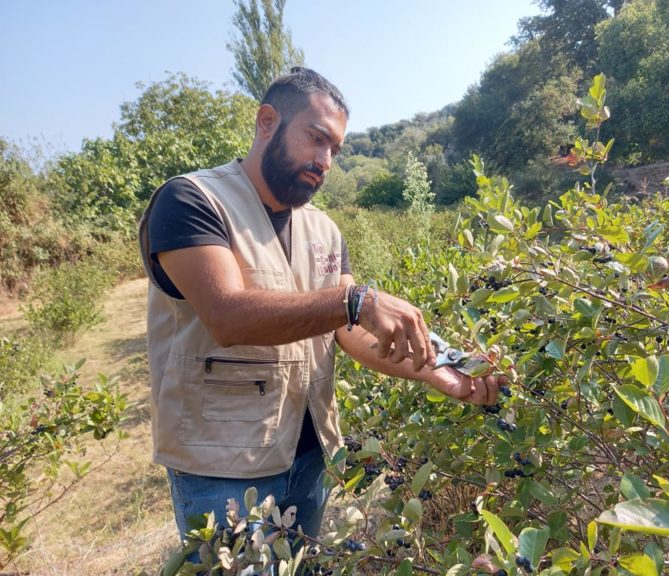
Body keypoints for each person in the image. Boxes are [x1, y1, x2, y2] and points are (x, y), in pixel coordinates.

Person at [138, 67, 501, 547]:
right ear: (267, 122)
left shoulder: (323, 229)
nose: (325, 159)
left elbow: (348, 331)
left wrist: (433, 368)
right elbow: (227, 315)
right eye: (316, 139)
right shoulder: (191, 200)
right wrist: (354, 300)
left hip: (310, 456)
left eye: (335, 149)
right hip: (222, 467)